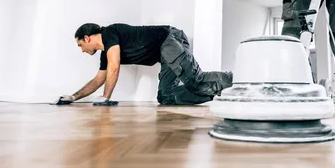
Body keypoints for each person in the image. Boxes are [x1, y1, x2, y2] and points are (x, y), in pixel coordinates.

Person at [55, 23, 233, 106]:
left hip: (169, 38)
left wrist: (105, 97)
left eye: (81, 45)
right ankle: (222, 92)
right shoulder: (105, 54)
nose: (82, 50)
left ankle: (239, 81)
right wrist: (73, 97)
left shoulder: (109, 32)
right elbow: (98, 80)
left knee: (194, 80)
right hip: (163, 54)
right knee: (166, 97)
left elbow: (114, 67)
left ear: (87, 38)